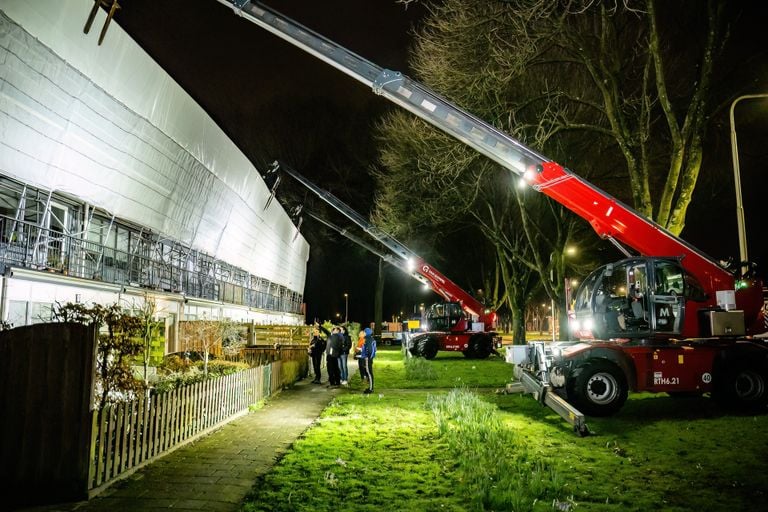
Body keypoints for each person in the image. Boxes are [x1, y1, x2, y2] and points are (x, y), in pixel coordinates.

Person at [360, 327, 376, 394]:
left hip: (368, 358)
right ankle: (370, 388)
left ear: (366, 332)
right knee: (369, 372)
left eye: (364, 332)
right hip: (369, 358)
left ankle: (371, 389)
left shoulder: (367, 339)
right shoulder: (371, 338)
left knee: (369, 373)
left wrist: (367, 357)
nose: (363, 333)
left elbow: (369, 349)